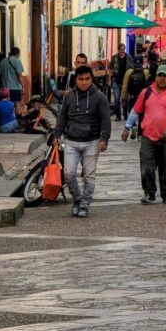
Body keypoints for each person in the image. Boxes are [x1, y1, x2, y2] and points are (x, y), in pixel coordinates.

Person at [122, 63, 166, 204]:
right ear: (155, 77)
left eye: (165, 76)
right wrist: (127, 128)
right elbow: (135, 111)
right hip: (148, 137)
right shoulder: (146, 92)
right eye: (160, 76)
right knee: (146, 166)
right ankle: (149, 193)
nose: (162, 79)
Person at [54, 64, 111, 218]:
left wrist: (104, 138)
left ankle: (85, 205)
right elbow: (62, 117)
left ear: (91, 79)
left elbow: (106, 119)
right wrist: (56, 135)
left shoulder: (100, 97)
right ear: (76, 80)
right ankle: (77, 200)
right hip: (71, 141)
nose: (84, 82)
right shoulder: (69, 96)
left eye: (87, 79)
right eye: (80, 79)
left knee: (89, 176)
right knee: (69, 174)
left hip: (91, 142)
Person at [110, 43, 131, 121]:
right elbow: (110, 68)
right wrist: (109, 78)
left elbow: (131, 68)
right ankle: (118, 116)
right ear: (118, 50)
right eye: (120, 50)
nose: (122, 51)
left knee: (125, 98)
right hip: (116, 81)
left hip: (125, 81)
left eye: (123, 49)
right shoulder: (114, 58)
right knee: (116, 99)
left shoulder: (129, 57)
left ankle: (125, 114)